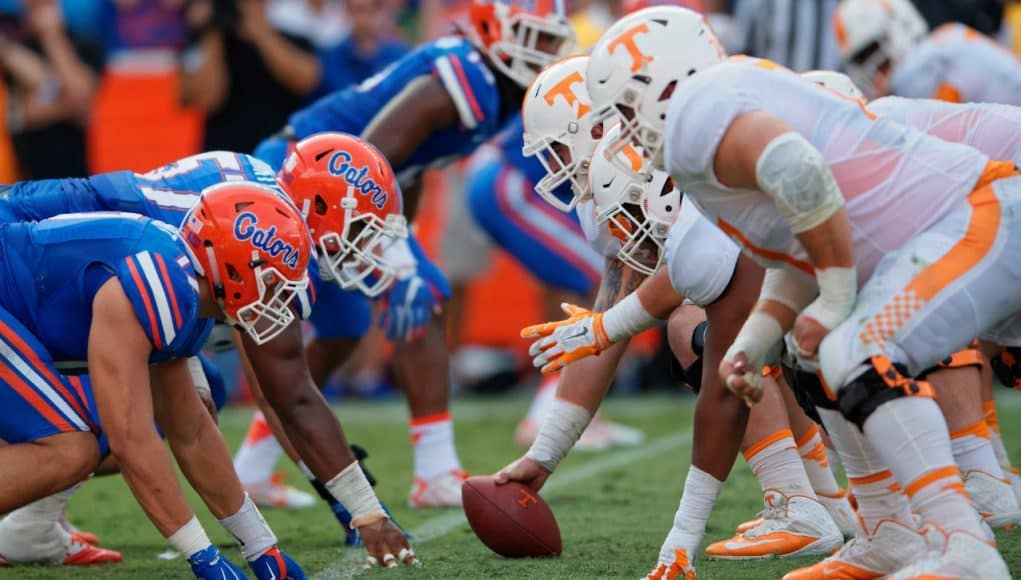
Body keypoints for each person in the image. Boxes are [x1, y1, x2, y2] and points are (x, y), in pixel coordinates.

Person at [579, 5, 1019, 577]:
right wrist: (758, 340)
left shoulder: (699, 109)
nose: (626, 133)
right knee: (809, 350)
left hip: (980, 216)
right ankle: (891, 531)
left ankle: (963, 545)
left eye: (625, 109)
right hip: (962, 225)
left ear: (660, 84)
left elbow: (801, 172)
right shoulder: (723, 117)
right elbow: (798, 249)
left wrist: (836, 296)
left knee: (855, 348)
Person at [0, 136, 418, 569]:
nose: (365, 247)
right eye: (361, 228)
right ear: (322, 207)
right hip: (26, 259)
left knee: (192, 400)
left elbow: (222, 418)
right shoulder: (242, 242)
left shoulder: (245, 224)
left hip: (62, 270)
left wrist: (261, 545)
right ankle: (33, 521)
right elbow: (285, 393)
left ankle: (34, 520)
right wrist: (359, 507)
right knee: (86, 437)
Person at [249, 0, 577, 508]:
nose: (548, 53)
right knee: (420, 293)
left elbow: (411, 163)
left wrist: (405, 230)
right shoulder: (467, 79)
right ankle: (434, 471)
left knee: (343, 329)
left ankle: (252, 467)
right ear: (495, 33)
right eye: (538, 39)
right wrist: (397, 251)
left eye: (552, 41)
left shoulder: (493, 86)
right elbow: (373, 154)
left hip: (330, 179)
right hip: (311, 178)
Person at [0, 183, 308, 578]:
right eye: (274, 283)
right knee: (68, 450)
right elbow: (130, 439)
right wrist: (203, 555)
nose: (279, 302)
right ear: (233, 268)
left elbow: (192, 432)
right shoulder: (159, 282)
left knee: (78, 442)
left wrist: (261, 545)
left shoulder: (186, 288)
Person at [834, 0, 1021, 102]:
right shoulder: (945, 42)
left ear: (901, 24)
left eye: (871, 51)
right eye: (860, 60)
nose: (870, 67)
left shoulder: (933, 60)